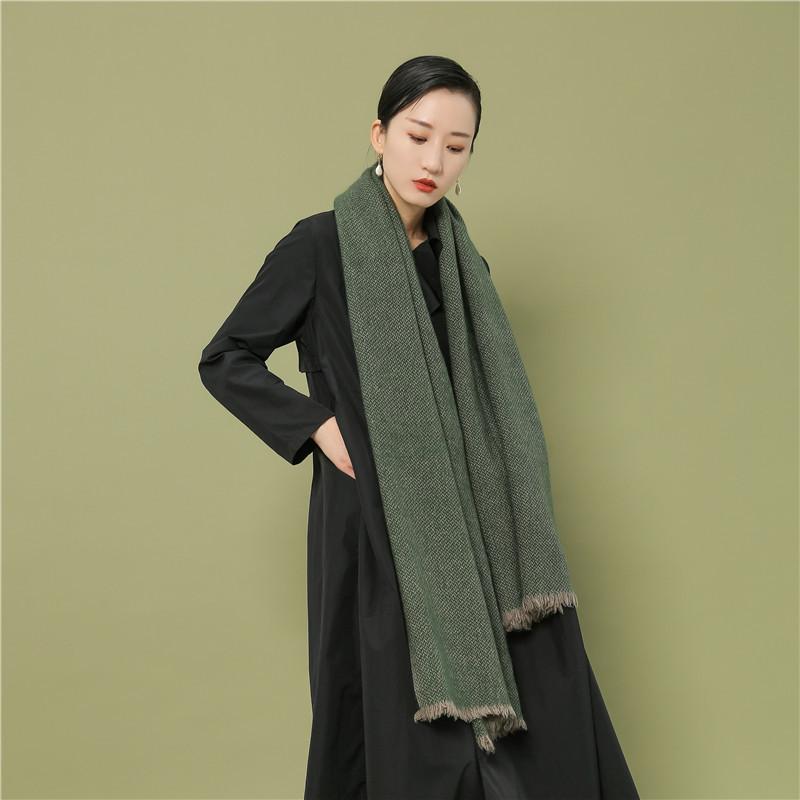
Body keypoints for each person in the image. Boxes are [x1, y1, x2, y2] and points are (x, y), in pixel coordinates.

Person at [198, 55, 639, 800]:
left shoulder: (463, 266)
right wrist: (318, 427)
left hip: (482, 522)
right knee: (394, 727)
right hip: (371, 523)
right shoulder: (320, 246)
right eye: (418, 135)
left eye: (456, 145)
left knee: (533, 712)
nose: (434, 161)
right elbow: (225, 358)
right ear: (379, 134)